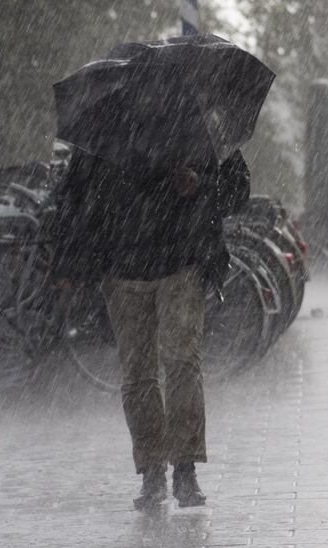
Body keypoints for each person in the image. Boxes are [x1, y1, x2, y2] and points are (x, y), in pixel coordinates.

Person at [50, 147, 250, 510]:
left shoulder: (199, 124)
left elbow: (237, 191)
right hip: (122, 269)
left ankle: (184, 469)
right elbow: (75, 196)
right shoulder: (104, 134)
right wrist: (72, 261)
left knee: (181, 364)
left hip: (182, 262)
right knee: (138, 373)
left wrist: (199, 185)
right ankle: (152, 470)